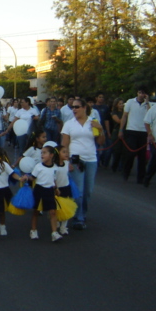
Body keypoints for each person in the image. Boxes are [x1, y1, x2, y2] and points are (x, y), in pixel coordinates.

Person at [61, 98, 105, 230]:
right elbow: (64, 144)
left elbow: (101, 142)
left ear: (84, 108)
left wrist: (100, 129)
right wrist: (66, 161)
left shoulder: (93, 122)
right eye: (73, 107)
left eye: (77, 107)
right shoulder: (69, 124)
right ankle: (78, 218)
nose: (74, 109)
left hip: (91, 159)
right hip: (75, 160)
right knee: (79, 190)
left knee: (88, 191)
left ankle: (82, 213)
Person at [23, 145, 62, 242]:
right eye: (41, 153)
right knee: (36, 211)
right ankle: (33, 230)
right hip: (39, 190)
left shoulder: (55, 168)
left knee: (52, 212)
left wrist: (56, 188)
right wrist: (27, 177)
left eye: (44, 153)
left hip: (49, 191)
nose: (42, 155)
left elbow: (54, 179)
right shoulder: (38, 167)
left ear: (51, 155)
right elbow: (33, 178)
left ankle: (54, 233)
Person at [120, 86, 151, 184]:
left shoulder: (147, 105)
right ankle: (126, 172)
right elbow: (124, 116)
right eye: (140, 93)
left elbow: (150, 115)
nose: (141, 95)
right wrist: (121, 129)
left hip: (143, 131)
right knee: (130, 154)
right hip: (131, 130)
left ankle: (141, 177)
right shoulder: (130, 102)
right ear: (137, 93)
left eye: (143, 93)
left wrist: (147, 102)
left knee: (142, 156)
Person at [109, 98, 125, 173]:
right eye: (120, 104)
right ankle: (114, 166)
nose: (122, 105)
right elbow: (119, 121)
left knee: (124, 151)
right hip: (116, 132)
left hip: (125, 132)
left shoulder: (125, 112)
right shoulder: (114, 113)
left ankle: (122, 167)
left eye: (122, 103)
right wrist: (125, 117)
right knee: (117, 151)